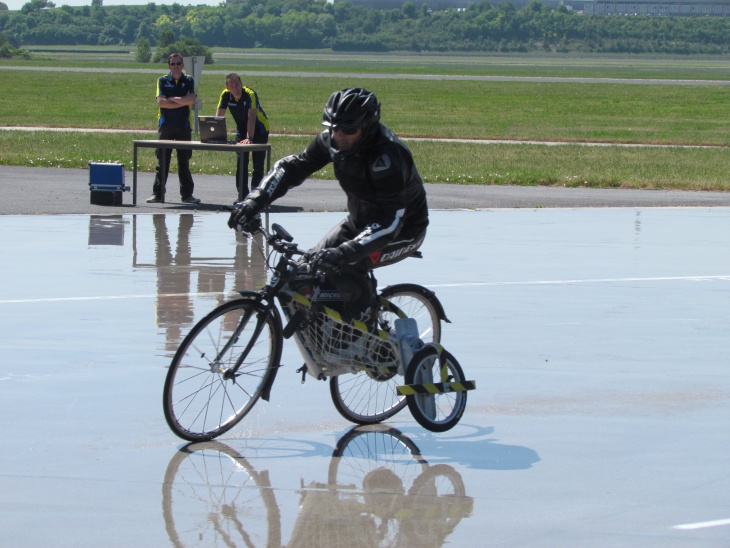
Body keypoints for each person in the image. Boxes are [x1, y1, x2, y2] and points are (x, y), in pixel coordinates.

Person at [228, 87, 429, 325]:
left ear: (368, 127)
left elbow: (389, 221)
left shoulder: (387, 156)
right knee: (301, 273)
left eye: (348, 129)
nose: (339, 135)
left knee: (347, 267)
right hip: (359, 223)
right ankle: (325, 346)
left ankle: (369, 331)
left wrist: (345, 252)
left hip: (402, 230)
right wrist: (253, 202)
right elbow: (292, 168)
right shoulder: (333, 141)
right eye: (333, 128)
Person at [147, 53, 200, 204]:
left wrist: (173, 99)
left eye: (178, 63)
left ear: (182, 65)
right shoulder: (162, 80)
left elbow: (192, 99)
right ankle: (158, 195)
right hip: (166, 126)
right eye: (173, 64)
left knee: (184, 162)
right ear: (169, 66)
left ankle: (187, 195)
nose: (176, 66)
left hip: (183, 126)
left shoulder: (189, 80)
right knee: (162, 162)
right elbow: (161, 103)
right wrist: (182, 101)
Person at [215, 73, 270, 199]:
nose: (235, 88)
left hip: (260, 128)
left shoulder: (250, 94)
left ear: (241, 84)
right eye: (232, 85)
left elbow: (252, 118)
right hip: (241, 129)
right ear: (227, 87)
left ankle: (256, 197)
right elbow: (218, 117)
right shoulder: (225, 94)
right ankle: (242, 196)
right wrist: (215, 135)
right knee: (241, 163)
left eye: (237, 84)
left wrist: (249, 138)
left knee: (258, 164)